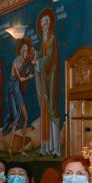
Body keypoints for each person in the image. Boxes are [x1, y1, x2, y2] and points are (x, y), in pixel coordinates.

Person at [33, 9, 61, 156]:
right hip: (44, 79)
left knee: (52, 110)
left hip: (51, 79)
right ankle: (45, 147)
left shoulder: (52, 38)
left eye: (46, 22)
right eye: (42, 23)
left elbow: (50, 57)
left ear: (50, 23)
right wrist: (36, 55)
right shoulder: (44, 39)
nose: (44, 25)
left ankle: (55, 148)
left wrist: (39, 60)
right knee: (44, 111)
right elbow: (43, 55)